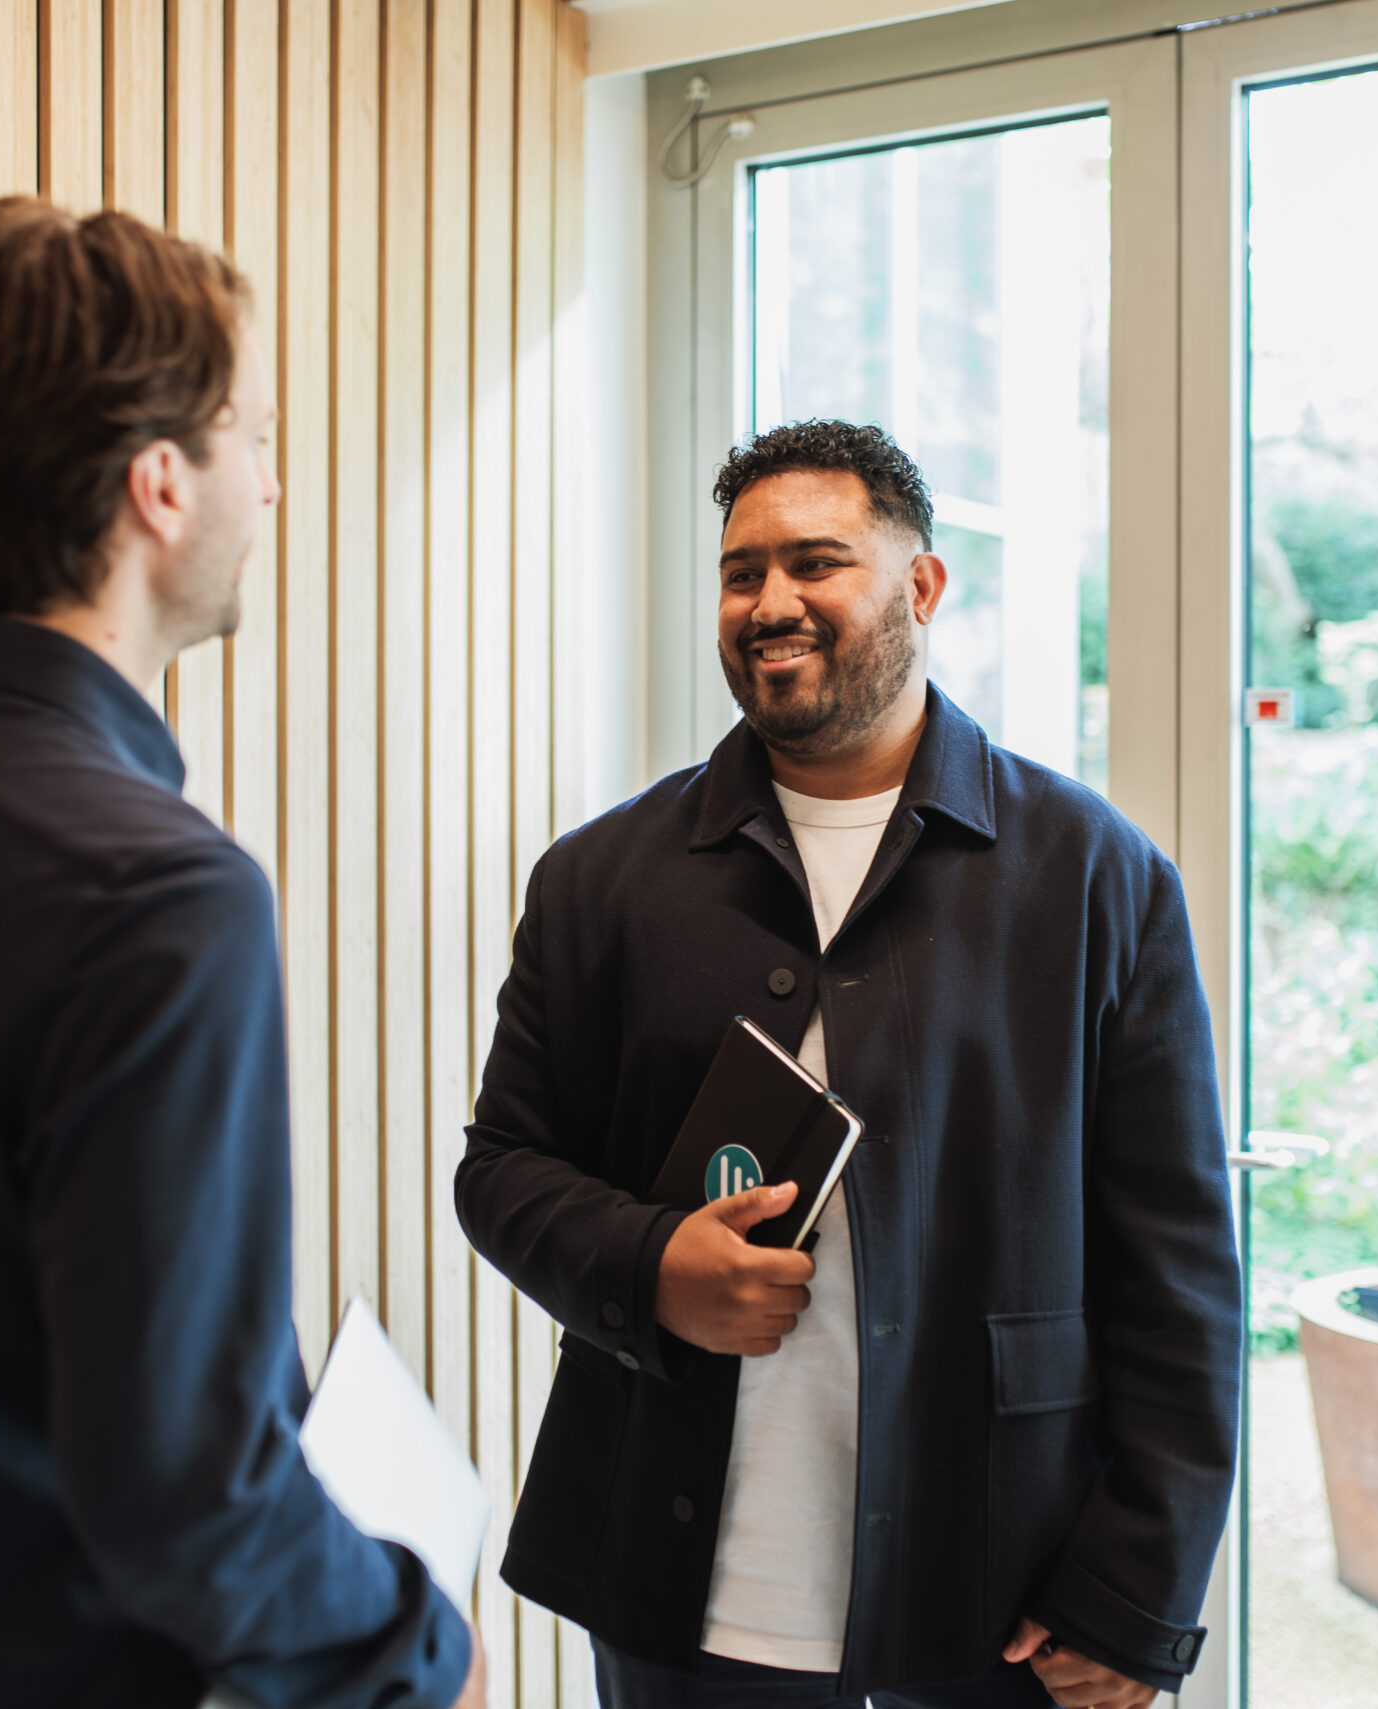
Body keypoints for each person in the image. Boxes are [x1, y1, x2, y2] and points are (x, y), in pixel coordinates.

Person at [0, 197, 482, 1709]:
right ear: (159, 485)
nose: (275, 484)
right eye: (254, 435)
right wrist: (418, 1647)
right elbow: (189, 1496)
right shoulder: (161, 892)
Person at [454, 421, 1241, 1709]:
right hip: (679, 1597)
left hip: (999, 1597)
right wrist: (653, 1267)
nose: (771, 604)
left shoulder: (1096, 878)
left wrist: (1139, 1593)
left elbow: (1179, 1273)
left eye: (816, 562)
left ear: (921, 587)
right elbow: (502, 1170)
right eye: (740, 571)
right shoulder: (603, 880)